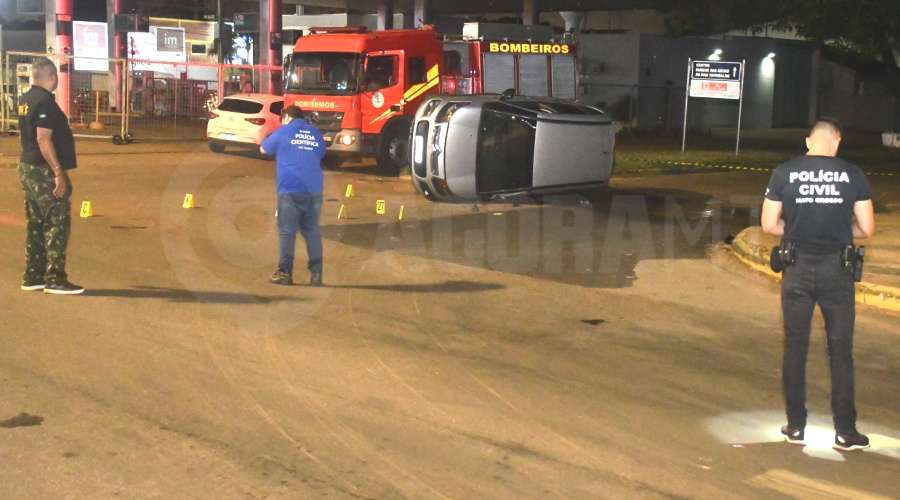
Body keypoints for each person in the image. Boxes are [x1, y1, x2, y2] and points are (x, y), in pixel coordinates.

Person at [761, 117, 875, 451]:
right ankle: (845, 431)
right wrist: (843, 233)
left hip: (796, 269)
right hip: (837, 271)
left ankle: (796, 426)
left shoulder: (785, 172)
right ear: (837, 142)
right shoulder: (853, 174)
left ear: (808, 141)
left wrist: (795, 230)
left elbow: (769, 224)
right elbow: (866, 228)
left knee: (795, 348)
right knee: (840, 352)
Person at [17, 57, 83, 295]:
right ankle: (55, 278)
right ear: (52, 75)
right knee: (57, 223)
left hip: (27, 166)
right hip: (44, 170)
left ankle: (32, 275)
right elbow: (43, 138)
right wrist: (58, 172)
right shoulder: (45, 102)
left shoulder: (25, 99)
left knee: (35, 223)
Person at [260, 106, 327, 286]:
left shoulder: (283, 131)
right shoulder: (315, 133)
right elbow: (321, 153)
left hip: (290, 190)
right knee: (312, 231)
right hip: (314, 189)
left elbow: (264, 149)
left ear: (287, 117)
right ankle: (316, 274)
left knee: (287, 233)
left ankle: (285, 273)